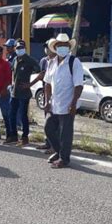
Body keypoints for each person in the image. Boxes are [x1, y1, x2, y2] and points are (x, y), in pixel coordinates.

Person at [44, 34, 84, 168]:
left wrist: (73, 104)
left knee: (65, 133)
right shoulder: (51, 62)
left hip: (68, 105)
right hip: (54, 104)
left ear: (69, 47)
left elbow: (79, 85)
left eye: (65, 45)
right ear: (55, 47)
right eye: (60, 45)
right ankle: (58, 152)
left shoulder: (74, 62)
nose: (63, 48)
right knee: (48, 128)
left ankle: (64, 159)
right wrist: (47, 101)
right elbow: (47, 84)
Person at [6, 41, 41, 146]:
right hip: (14, 92)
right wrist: (12, 83)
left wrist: (30, 84)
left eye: (21, 47)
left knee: (23, 116)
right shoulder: (16, 59)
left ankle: (25, 137)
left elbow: (40, 72)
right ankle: (13, 136)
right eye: (17, 47)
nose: (19, 49)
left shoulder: (29, 60)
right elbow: (13, 71)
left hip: (24, 93)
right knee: (11, 114)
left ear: (25, 48)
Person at [35, 40, 57, 154]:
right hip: (46, 94)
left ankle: (55, 146)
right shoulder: (44, 61)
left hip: (57, 96)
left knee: (55, 122)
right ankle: (48, 142)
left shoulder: (60, 61)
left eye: (48, 47)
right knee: (47, 121)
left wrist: (30, 84)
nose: (47, 50)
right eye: (46, 48)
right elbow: (42, 75)